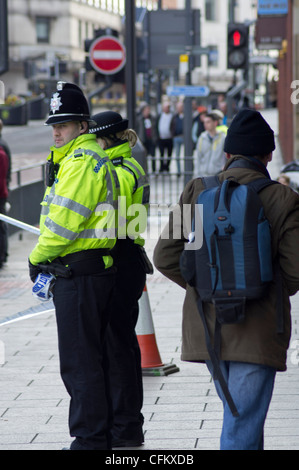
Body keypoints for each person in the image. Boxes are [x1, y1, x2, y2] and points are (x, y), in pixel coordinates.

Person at [153, 109, 299, 450]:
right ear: (269, 155)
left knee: (242, 419)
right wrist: (266, 291)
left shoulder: (196, 190)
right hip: (259, 329)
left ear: (227, 153)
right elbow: (295, 270)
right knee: (242, 424)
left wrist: (206, 286)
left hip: (207, 329)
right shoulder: (283, 200)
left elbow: (164, 256)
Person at [28, 82, 121, 450]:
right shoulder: (79, 160)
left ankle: (89, 439)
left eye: (64, 124)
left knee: (79, 363)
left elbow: (62, 225)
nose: (56, 130)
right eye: (54, 123)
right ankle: (98, 433)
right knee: (91, 359)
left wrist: (36, 258)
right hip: (90, 271)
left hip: (79, 274)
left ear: (83, 126)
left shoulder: (80, 165)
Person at [90, 111, 151, 448]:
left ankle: (125, 427)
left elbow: (108, 225)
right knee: (122, 347)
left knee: (117, 350)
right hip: (128, 259)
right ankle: (126, 425)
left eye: (95, 139)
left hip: (118, 260)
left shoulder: (116, 172)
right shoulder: (130, 166)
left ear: (106, 138)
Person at [194, 112, 226, 177]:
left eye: (208, 122)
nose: (205, 124)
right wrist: (197, 174)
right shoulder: (202, 138)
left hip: (218, 175)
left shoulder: (223, 137)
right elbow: (198, 157)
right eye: (204, 122)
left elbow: (226, 156)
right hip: (203, 175)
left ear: (215, 123)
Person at [136, 104, 158, 173]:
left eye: (148, 110)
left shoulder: (153, 118)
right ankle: (146, 171)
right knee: (145, 157)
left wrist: (155, 138)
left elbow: (155, 129)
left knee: (153, 156)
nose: (148, 111)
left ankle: (154, 171)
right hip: (144, 140)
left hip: (151, 140)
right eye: (146, 110)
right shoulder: (139, 119)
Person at [156, 101, 173, 172]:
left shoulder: (172, 116)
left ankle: (167, 167)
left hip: (169, 138)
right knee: (161, 154)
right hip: (161, 138)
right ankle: (161, 167)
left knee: (169, 154)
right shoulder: (160, 115)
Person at [0, 144, 9, 269]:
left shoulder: (1, 154)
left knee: (1, 227)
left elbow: (2, 179)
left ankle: (2, 257)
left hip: (0, 196)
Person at [171, 101, 184, 176]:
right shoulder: (175, 116)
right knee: (177, 155)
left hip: (184, 137)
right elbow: (171, 125)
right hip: (176, 137)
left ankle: (187, 169)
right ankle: (178, 171)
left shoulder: (186, 116)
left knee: (186, 155)